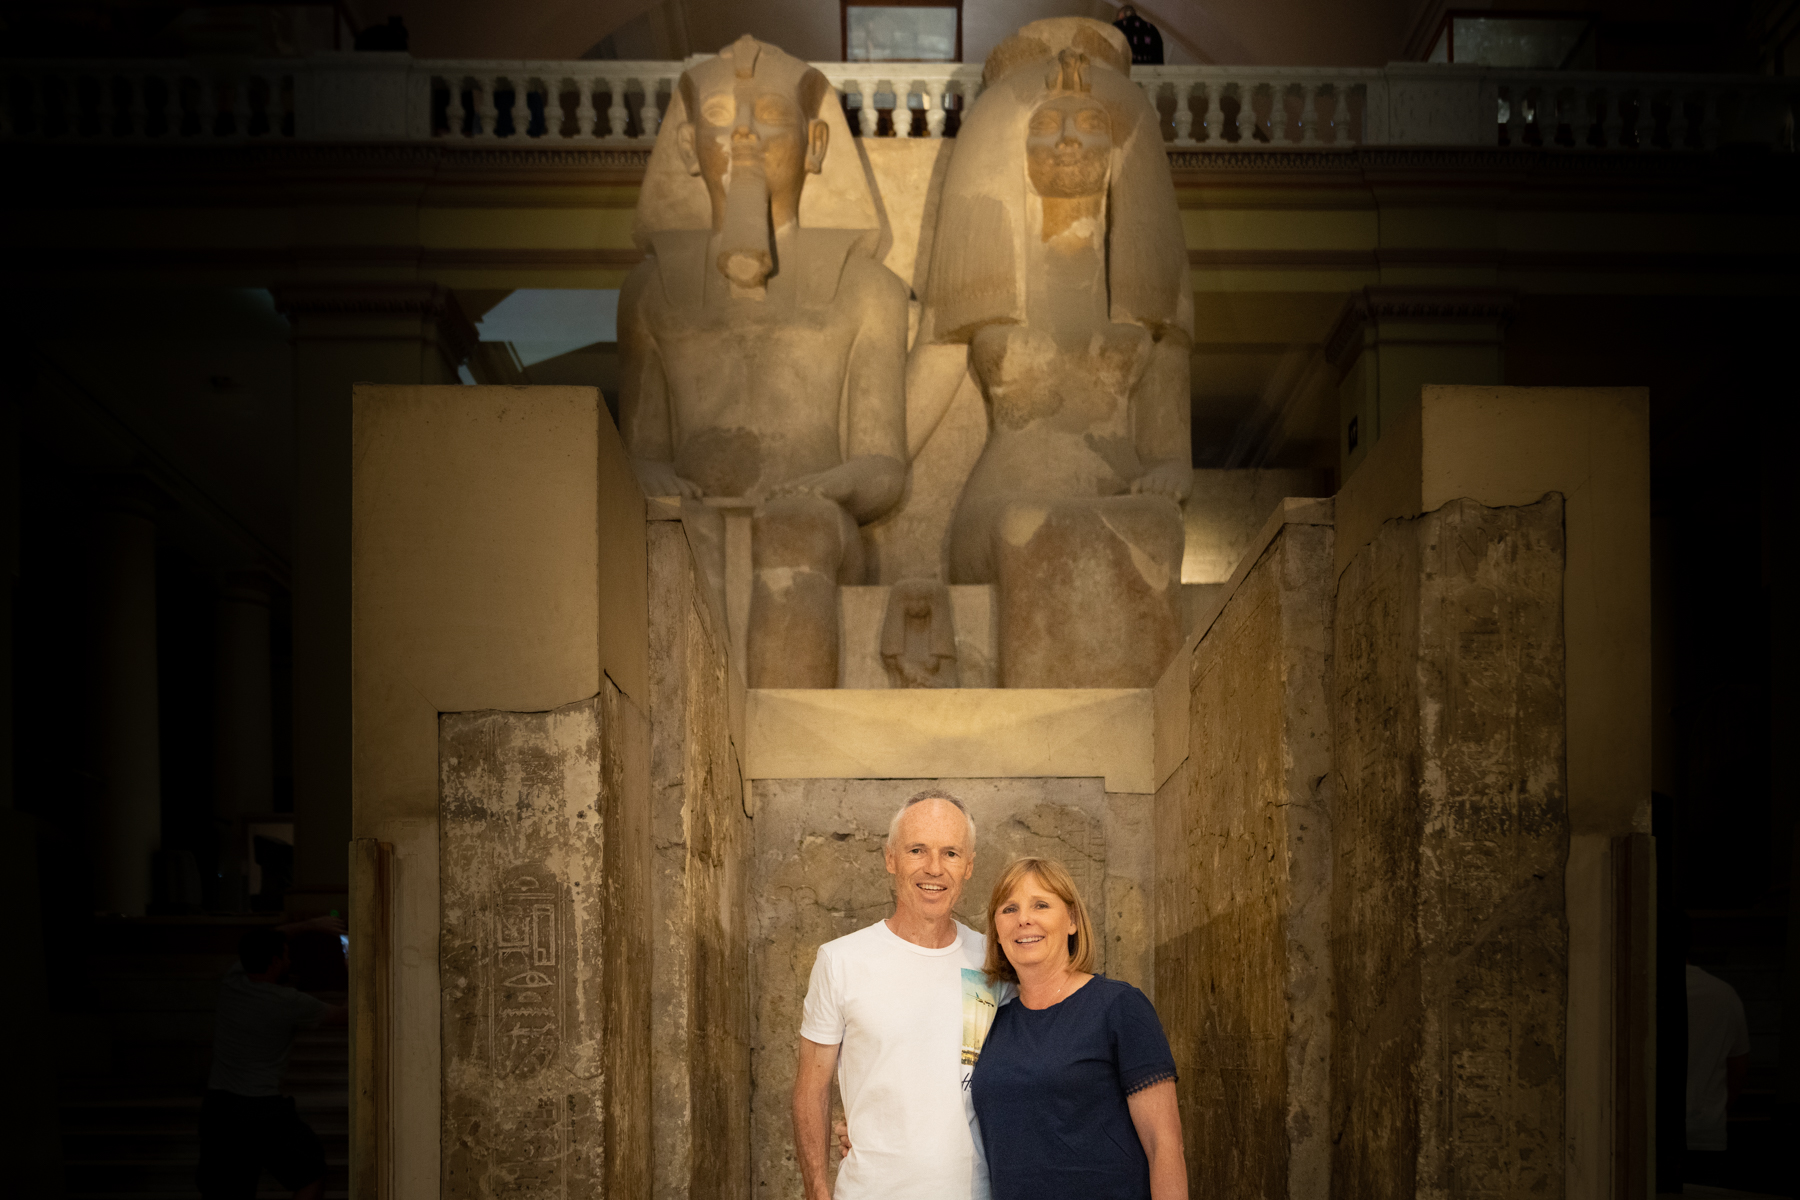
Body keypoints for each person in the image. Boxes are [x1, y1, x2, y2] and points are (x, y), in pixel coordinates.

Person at [791, 789, 1007, 1200]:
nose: (934, 868)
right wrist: (817, 1190)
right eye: (917, 850)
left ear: (969, 867)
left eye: (951, 853)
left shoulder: (994, 963)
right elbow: (810, 1087)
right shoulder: (841, 961)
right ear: (890, 858)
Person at [971, 857, 1186, 1200]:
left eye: (1040, 904)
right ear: (996, 931)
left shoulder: (1119, 1007)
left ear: (1071, 920)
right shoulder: (990, 1020)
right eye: (1009, 909)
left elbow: (1164, 1145)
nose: (1024, 919)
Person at [196, 918, 349, 1200]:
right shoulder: (288, 1002)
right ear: (276, 962)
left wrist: (310, 924)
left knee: (225, 1191)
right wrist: (355, 971)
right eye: (287, 956)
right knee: (310, 1174)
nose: (291, 962)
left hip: (218, 1108)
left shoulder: (234, 980)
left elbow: (263, 940)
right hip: (259, 1109)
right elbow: (345, 1016)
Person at [1685, 960, 1751, 1172]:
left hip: (1643, 1131)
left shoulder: (1638, 988)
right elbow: (1738, 1068)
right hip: (1705, 1129)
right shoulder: (1723, 993)